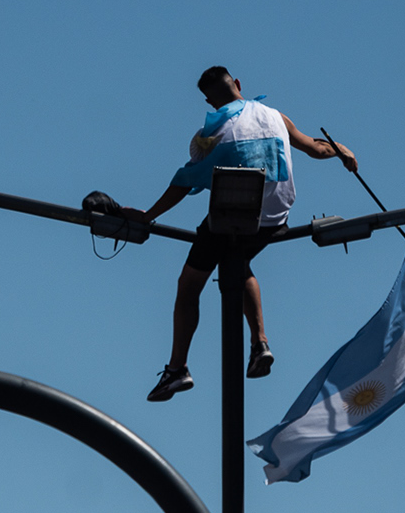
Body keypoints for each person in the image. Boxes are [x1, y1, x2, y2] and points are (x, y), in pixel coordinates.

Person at [122, 66, 357, 403]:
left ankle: (177, 369)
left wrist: (148, 216)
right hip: (276, 216)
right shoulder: (276, 116)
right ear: (239, 84)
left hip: (234, 216)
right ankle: (260, 342)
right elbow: (318, 149)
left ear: (208, 100)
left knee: (189, 285)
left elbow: (184, 181)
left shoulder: (215, 130)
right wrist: (343, 150)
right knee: (237, 261)